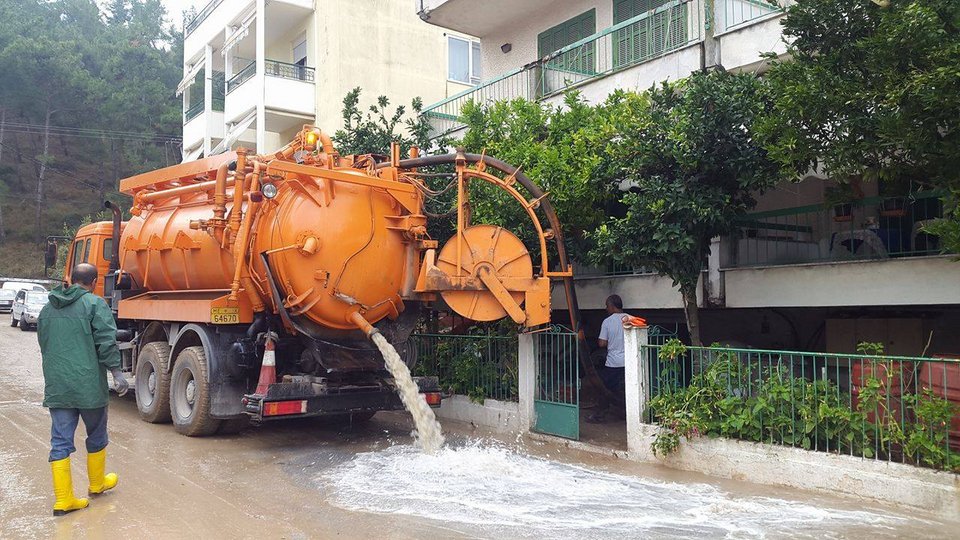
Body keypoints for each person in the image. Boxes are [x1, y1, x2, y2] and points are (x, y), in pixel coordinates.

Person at [39, 263, 128, 516]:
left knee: (60, 440)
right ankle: (97, 485)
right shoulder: (94, 304)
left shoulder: (47, 308)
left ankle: (63, 500)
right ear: (94, 281)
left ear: (70, 279)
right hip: (88, 385)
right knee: (96, 433)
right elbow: (106, 341)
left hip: (58, 386)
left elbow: (45, 345)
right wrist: (117, 373)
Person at [586, 294, 626, 423]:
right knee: (624, 389)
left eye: (607, 306)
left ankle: (599, 415)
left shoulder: (608, 322)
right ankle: (624, 411)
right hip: (630, 362)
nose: (606, 309)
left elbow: (602, 343)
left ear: (611, 306)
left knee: (604, 389)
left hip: (613, 363)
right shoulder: (631, 319)